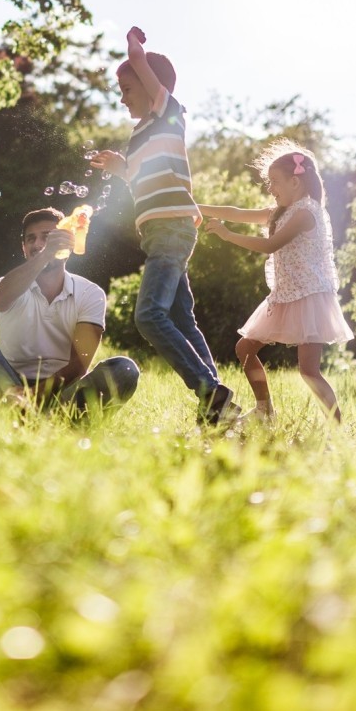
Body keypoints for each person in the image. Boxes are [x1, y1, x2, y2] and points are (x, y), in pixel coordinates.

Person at [89, 26, 239, 425]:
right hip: (161, 233)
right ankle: (220, 405)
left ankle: (211, 394)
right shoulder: (142, 133)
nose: (122, 97)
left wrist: (133, 48)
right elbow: (142, 181)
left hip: (171, 230)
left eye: (127, 88)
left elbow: (141, 64)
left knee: (149, 316)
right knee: (182, 320)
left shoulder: (167, 113)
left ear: (152, 87)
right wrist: (121, 168)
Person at [198, 139, 354, 424]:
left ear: (295, 182)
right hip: (285, 295)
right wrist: (195, 207)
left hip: (309, 297)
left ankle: (337, 429)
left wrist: (227, 235)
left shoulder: (306, 212)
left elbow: (271, 245)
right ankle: (265, 411)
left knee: (309, 371)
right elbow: (236, 213)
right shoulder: (281, 212)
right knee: (245, 349)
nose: (270, 188)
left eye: (274, 182)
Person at [0, 207, 140, 415]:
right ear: (24, 248)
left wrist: (33, 396)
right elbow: (0, 300)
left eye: (48, 237)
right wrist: (46, 253)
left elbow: (80, 362)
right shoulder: (8, 285)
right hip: (9, 386)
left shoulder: (90, 293)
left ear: (68, 243)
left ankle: (18, 419)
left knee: (125, 370)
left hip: (62, 392)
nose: (38, 244)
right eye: (31, 239)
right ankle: (15, 417)